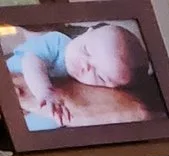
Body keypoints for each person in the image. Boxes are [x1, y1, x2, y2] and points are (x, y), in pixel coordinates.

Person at [8, 22, 150, 130]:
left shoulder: (91, 89)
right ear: (87, 33)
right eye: (86, 50)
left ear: (111, 87)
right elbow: (31, 62)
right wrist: (44, 92)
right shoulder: (57, 42)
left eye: (99, 74)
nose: (85, 65)